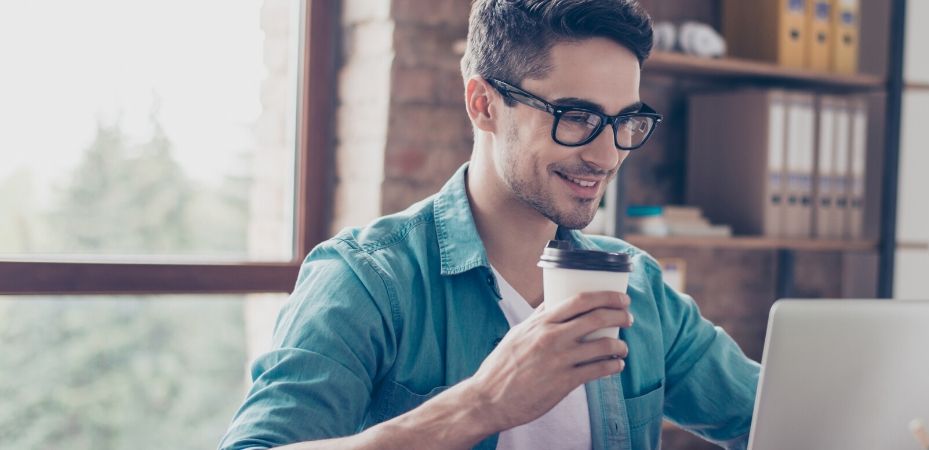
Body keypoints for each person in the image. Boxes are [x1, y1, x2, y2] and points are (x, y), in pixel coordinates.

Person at [218, 1, 759, 449]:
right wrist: (480, 404)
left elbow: (771, 417)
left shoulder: (638, 287)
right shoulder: (368, 282)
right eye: (576, 117)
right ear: (483, 105)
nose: (607, 154)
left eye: (626, 122)